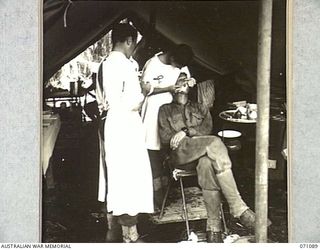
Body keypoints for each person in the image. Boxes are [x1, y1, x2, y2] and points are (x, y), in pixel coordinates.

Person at [158, 78, 271, 243]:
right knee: (215, 142)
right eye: (177, 82)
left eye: (184, 82)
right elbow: (165, 137)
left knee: (207, 164)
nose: (181, 85)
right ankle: (238, 208)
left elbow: (207, 129)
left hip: (203, 155)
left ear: (190, 86)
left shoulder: (200, 107)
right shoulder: (165, 110)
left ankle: (214, 229)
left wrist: (185, 131)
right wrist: (185, 134)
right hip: (180, 156)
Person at [96, 23, 154, 243]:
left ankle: (119, 229)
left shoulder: (105, 63)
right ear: (129, 41)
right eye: (133, 44)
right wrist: (144, 93)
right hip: (125, 124)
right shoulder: (123, 65)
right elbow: (125, 102)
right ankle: (130, 235)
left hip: (114, 123)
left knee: (118, 176)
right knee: (130, 177)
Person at [140, 44, 196, 210]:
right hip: (153, 111)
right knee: (153, 151)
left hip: (172, 113)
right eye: (177, 65)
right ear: (171, 57)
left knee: (168, 150)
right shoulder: (152, 64)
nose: (178, 68)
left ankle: (167, 194)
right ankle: (155, 198)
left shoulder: (180, 64)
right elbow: (144, 89)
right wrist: (168, 88)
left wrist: (188, 82)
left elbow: (185, 80)